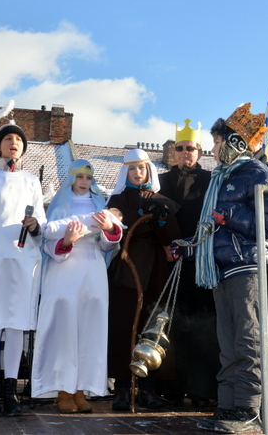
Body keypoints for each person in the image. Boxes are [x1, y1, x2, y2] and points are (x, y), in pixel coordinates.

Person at [176, 102, 268, 434]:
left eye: (217, 142)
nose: (213, 149)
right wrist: (188, 246)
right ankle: (228, 406)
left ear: (236, 142)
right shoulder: (222, 177)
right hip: (221, 268)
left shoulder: (257, 172)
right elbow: (211, 228)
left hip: (247, 267)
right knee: (227, 342)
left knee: (248, 339)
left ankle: (249, 410)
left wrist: (231, 217)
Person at [31, 159, 123, 413]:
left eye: (88, 178)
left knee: (89, 329)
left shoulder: (100, 205)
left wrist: (109, 230)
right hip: (64, 270)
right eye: (80, 177)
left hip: (92, 270)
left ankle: (82, 389)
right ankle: (62, 390)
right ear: (71, 178)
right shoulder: (59, 206)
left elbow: (107, 246)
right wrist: (67, 240)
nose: (84, 182)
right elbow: (46, 243)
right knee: (64, 329)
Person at [0, 121, 46, 417]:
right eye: (7, 138)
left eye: (18, 139)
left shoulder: (31, 180)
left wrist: (35, 225)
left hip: (23, 260)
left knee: (16, 324)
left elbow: (41, 217)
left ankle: (10, 390)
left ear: (23, 147)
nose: (13, 142)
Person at [106, 149, 182, 411]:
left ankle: (148, 389)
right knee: (124, 326)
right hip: (127, 267)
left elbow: (172, 236)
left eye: (142, 168)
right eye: (132, 168)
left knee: (152, 326)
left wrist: (161, 219)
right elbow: (117, 230)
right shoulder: (117, 200)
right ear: (125, 172)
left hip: (157, 270)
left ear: (149, 170)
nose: (138, 173)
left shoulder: (163, 200)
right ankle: (122, 388)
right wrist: (140, 213)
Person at [157, 120, 219, 406]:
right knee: (171, 326)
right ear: (173, 152)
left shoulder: (212, 179)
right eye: (180, 148)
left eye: (190, 149)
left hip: (201, 265)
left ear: (199, 152)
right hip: (169, 265)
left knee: (203, 328)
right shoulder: (161, 181)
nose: (185, 153)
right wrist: (164, 245)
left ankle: (201, 390)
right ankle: (170, 388)